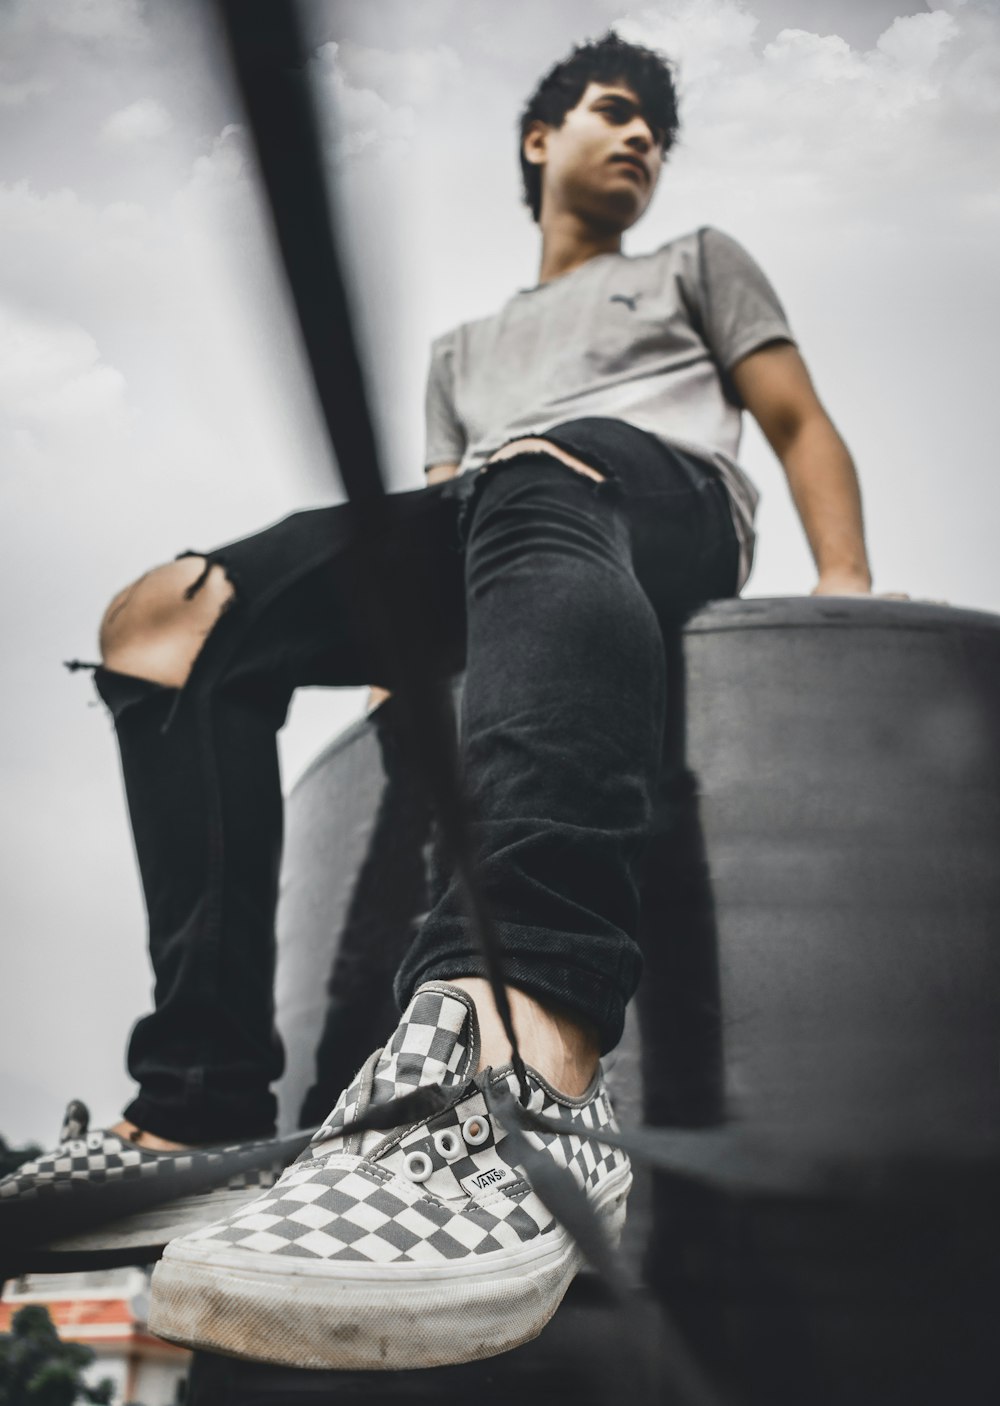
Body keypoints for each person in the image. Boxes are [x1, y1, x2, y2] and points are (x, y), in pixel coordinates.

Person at [3, 30, 873, 1369]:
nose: (640, 137)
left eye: (655, 124)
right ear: (541, 142)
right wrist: (393, 698)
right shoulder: (467, 349)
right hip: (498, 519)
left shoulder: (695, 264)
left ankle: (518, 1057)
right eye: (612, 112)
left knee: (537, 468)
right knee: (164, 621)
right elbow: (430, 544)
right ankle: (195, 1102)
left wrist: (847, 592)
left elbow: (797, 420)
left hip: (660, 497)